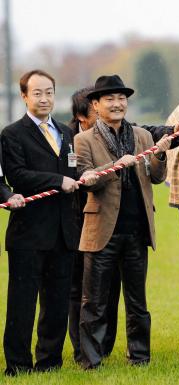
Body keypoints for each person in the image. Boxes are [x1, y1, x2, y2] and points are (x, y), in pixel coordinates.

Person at [74, 74, 172, 369]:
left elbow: (155, 177)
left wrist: (161, 156)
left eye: (121, 98)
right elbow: (87, 181)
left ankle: (140, 356)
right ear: (96, 104)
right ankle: (91, 359)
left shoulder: (142, 135)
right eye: (110, 99)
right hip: (101, 230)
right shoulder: (83, 140)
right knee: (94, 302)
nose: (117, 104)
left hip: (136, 230)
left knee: (137, 301)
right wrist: (113, 167)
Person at [1, 69, 93, 376]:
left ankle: (49, 362)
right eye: (37, 93)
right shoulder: (12, 135)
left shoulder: (66, 134)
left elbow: (72, 173)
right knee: (22, 305)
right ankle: (18, 365)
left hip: (65, 233)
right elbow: (17, 176)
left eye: (49, 92)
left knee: (56, 304)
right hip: (29, 234)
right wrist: (59, 180)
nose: (44, 98)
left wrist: (86, 177)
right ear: (25, 96)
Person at [68, 87, 121, 363]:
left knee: (110, 287)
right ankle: (81, 348)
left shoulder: (116, 133)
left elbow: (148, 129)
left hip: (104, 223)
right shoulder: (70, 140)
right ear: (82, 115)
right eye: (96, 110)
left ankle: (105, 345)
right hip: (74, 223)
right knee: (80, 290)